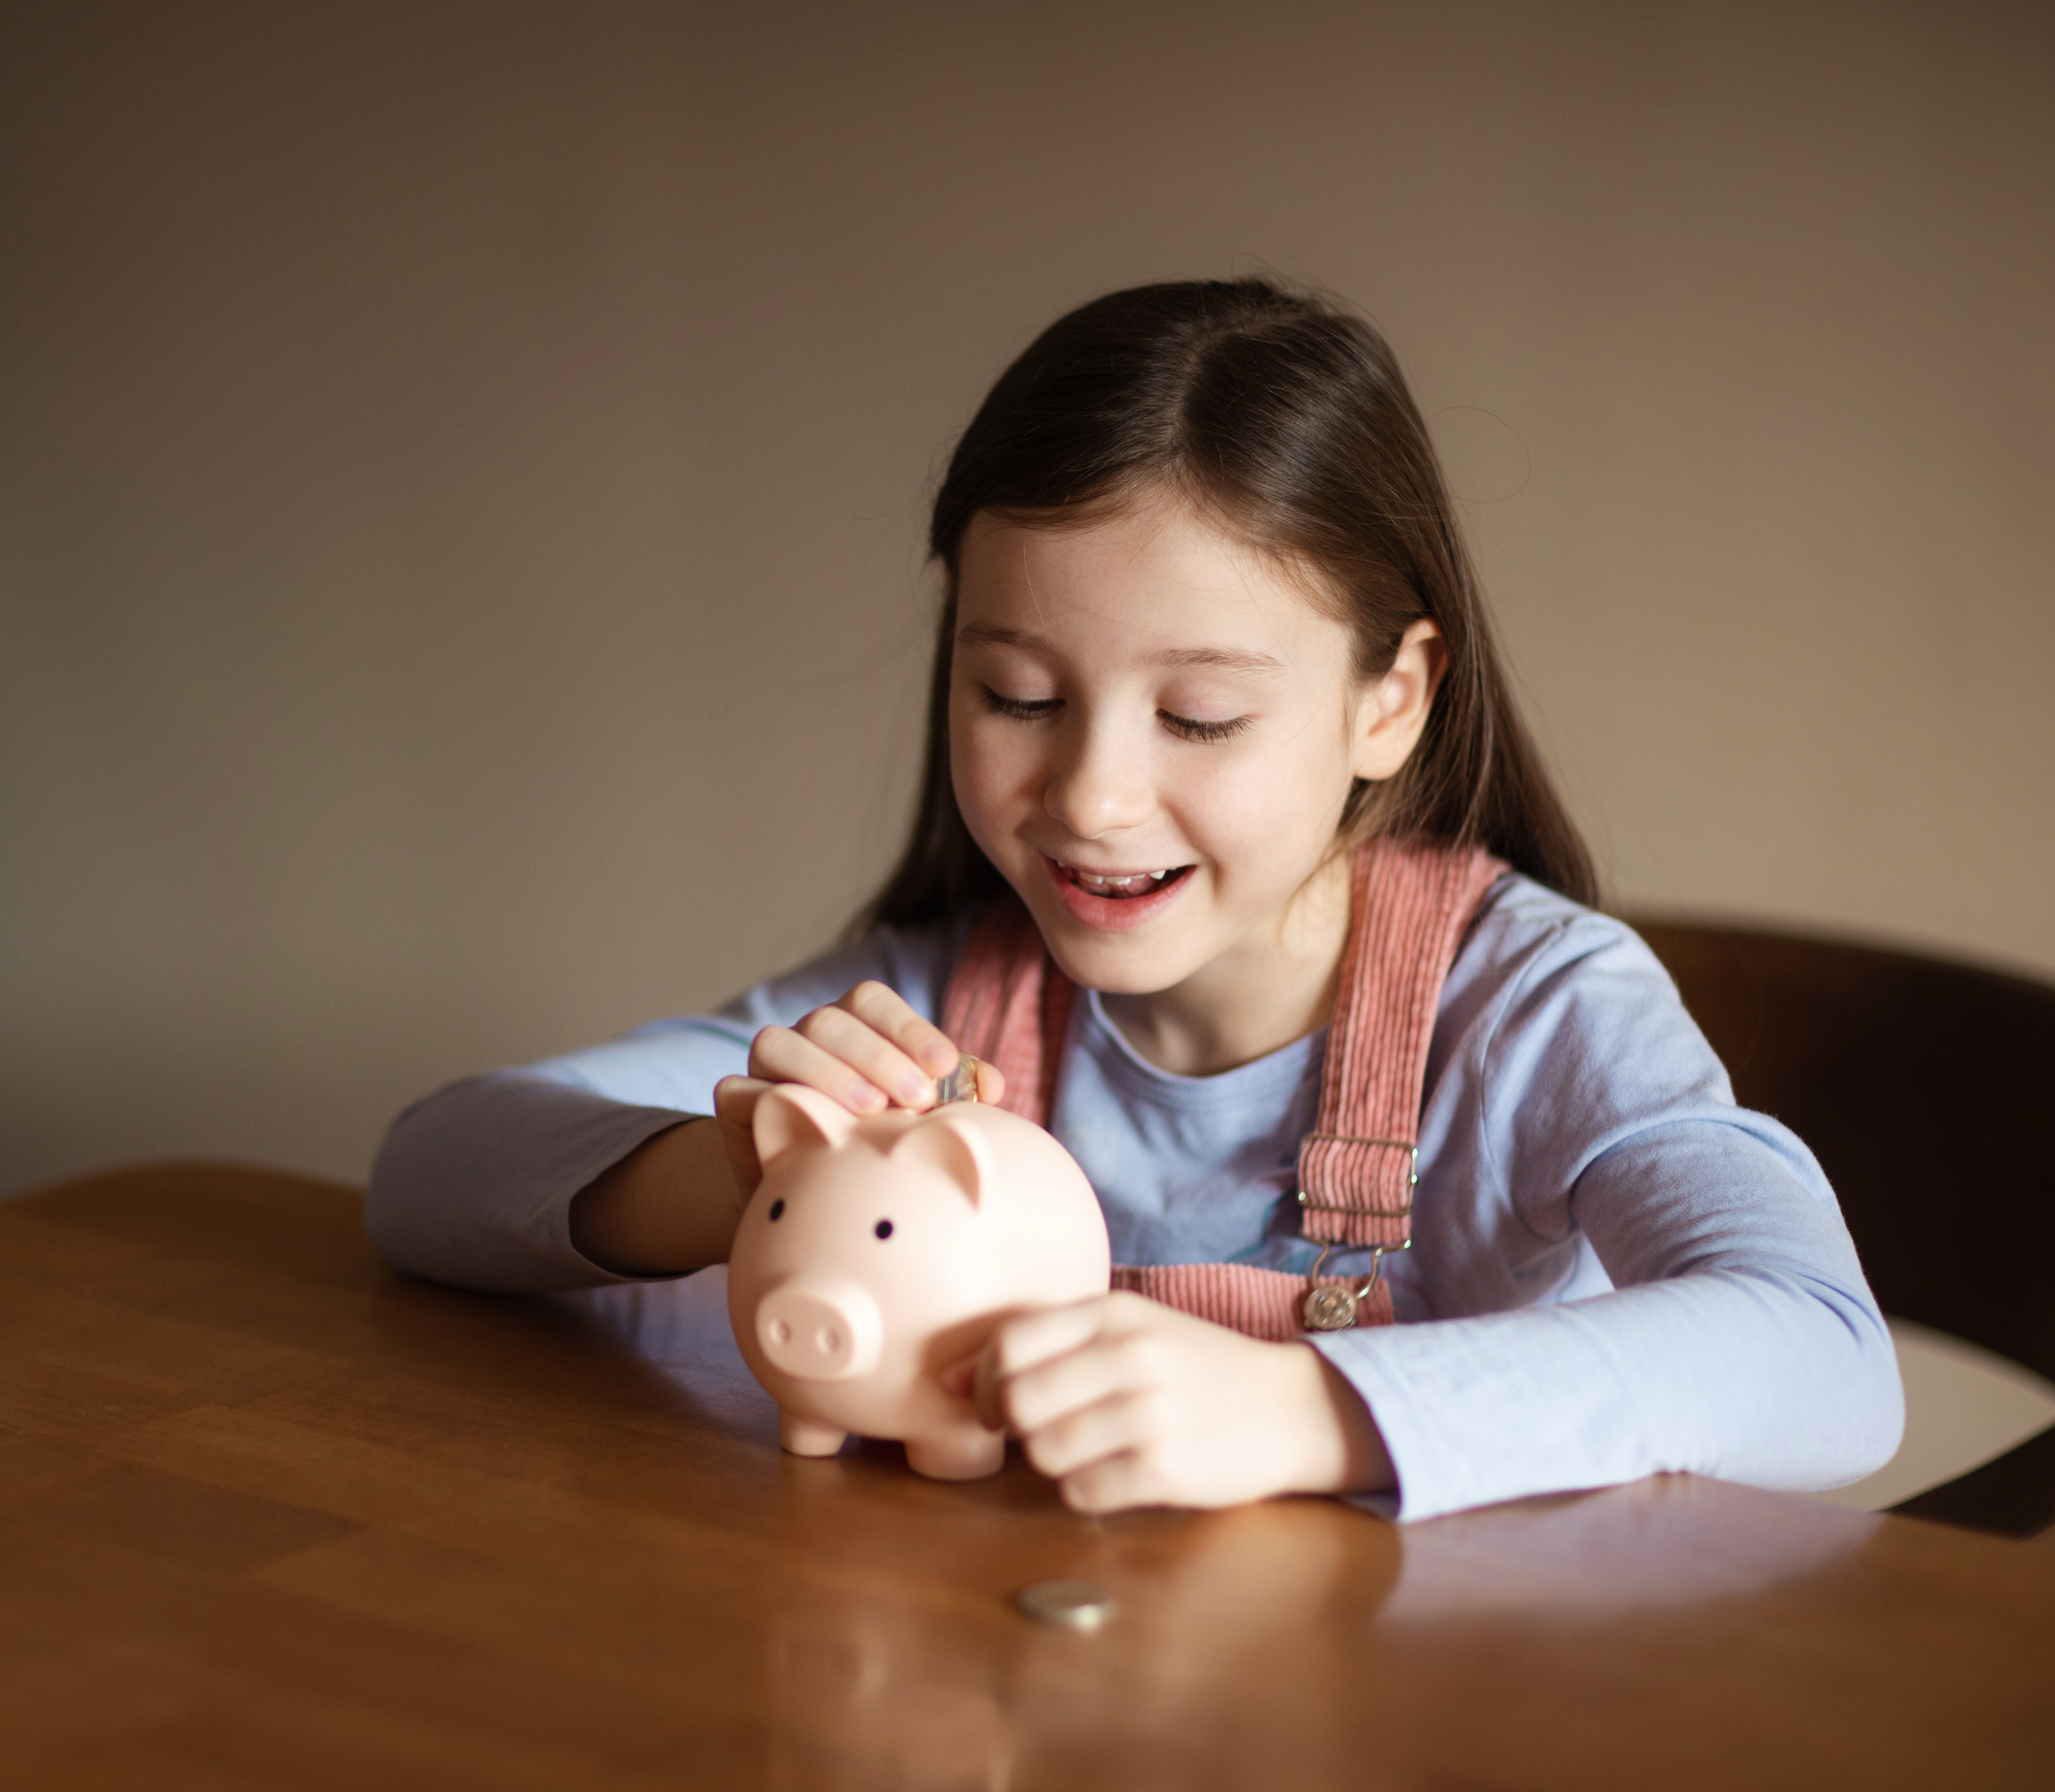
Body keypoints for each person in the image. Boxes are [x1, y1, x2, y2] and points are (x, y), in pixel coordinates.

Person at [366, 279, 1903, 1522]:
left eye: (1198, 716)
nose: (1090, 796)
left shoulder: (1535, 1011)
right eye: (1016, 692)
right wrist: (741, 1179)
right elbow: (428, 1170)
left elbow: (1823, 1361)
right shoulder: (944, 1006)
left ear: (1389, 701)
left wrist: (1307, 1410)